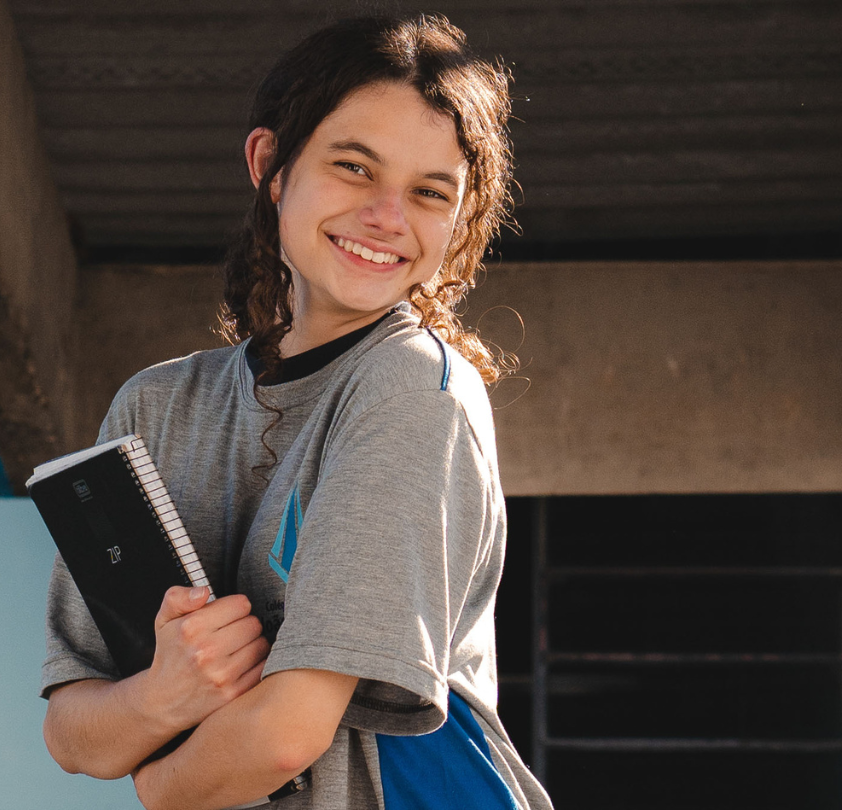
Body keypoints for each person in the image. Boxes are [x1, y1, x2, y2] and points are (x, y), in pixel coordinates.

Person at [39, 14, 552, 810]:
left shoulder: (415, 388)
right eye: (354, 168)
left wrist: (156, 782)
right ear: (270, 166)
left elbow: (285, 735)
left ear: (458, 218)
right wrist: (164, 695)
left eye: (429, 192)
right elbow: (73, 731)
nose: (387, 216)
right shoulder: (156, 407)